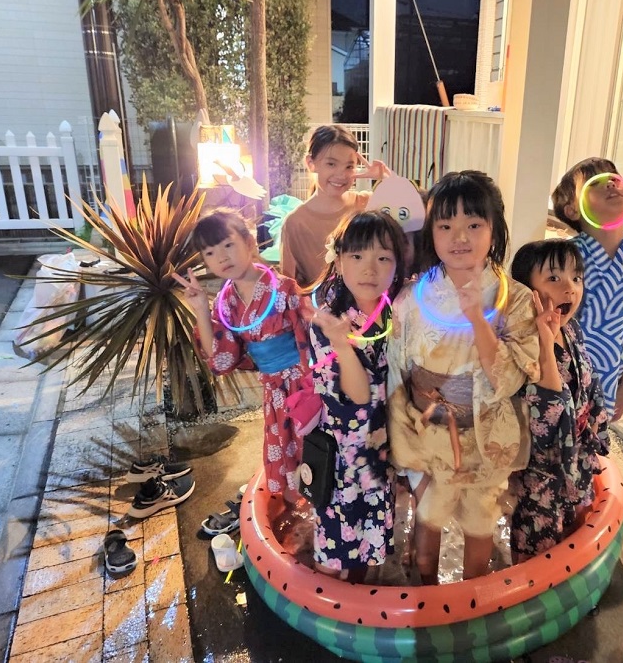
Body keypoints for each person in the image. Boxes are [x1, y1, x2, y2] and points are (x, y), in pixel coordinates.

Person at [387, 170, 540, 585]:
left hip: (483, 437)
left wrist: (477, 318)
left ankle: (474, 595)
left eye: (474, 224)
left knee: (480, 521)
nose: (460, 237)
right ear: (431, 233)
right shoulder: (411, 298)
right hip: (427, 435)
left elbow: (511, 380)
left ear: (494, 229)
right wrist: (405, 450)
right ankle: (426, 592)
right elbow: (397, 379)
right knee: (427, 518)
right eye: (445, 226)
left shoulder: (515, 298)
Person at [174, 209, 312, 513]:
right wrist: (201, 308)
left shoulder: (284, 288)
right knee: (286, 455)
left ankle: (320, 514)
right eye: (210, 253)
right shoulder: (226, 303)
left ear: (249, 242)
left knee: (313, 450)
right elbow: (222, 359)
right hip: (273, 391)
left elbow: (310, 339)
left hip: (304, 385)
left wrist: (315, 385)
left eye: (228, 245)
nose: (222, 257)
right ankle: (297, 516)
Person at [306, 210, 408, 582]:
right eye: (358, 256)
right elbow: (357, 397)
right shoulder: (328, 320)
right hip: (344, 453)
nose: (370, 269)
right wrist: (342, 346)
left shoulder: (393, 310)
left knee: (369, 541)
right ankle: (323, 605)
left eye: (383, 258)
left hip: (380, 446)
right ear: (339, 261)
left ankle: (357, 597)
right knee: (334, 544)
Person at [508, 239, 609, 563]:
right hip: (541, 475)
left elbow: (588, 387)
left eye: (576, 278)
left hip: (575, 462)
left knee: (576, 543)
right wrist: (545, 341)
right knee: (537, 560)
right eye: (554, 278)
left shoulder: (572, 329)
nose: (570, 289)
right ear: (527, 291)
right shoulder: (524, 341)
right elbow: (546, 416)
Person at [551, 157, 623, 420]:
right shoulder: (565, 257)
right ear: (572, 210)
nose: (611, 185)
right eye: (595, 183)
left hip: (610, 379)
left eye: (614, 179)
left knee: (596, 436)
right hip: (563, 376)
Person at [280, 125, 390, 287]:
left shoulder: (368, 203)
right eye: (331, 164)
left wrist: (388, 179)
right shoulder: (295, 223)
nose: (341, 175)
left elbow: (413, 217)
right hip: (320, 303)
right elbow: (287, 285)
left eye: (349, 166)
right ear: (311, 163)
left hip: (373, 299)